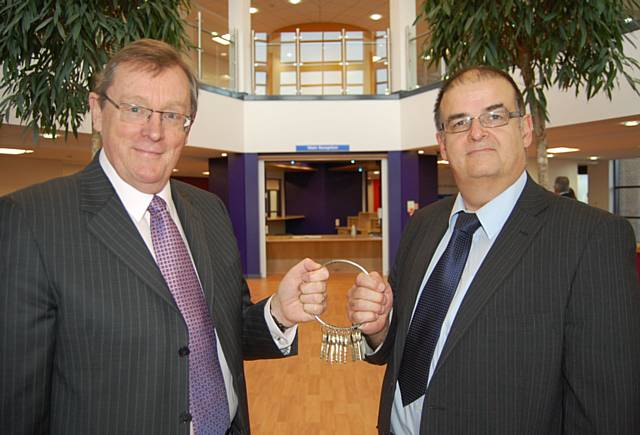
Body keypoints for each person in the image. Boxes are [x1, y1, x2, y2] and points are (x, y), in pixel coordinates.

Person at [0, 39, 328, 435]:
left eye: (172, 115)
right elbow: (17, 401)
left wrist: (277, 312)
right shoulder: (31, 220)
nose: (153, 132)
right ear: (97, 112)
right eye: (135, 109)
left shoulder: (209, 210)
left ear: (187, 127)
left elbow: (219, 332)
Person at [347, 65, 640, 434]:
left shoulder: (591, 239)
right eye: (459, 122)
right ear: (442, 143)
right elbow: (410, 348)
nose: (476, 132)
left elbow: (607, 412)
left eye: (494, 116)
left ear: (526, 128)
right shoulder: (423, 226)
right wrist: (378, 329)